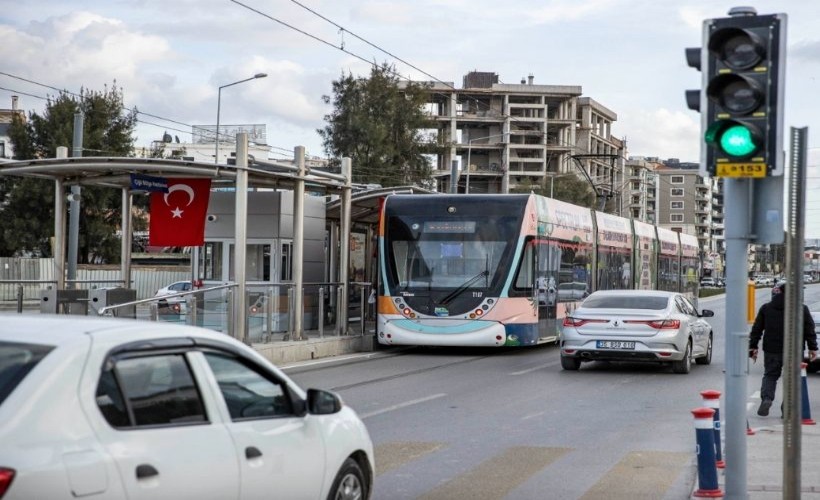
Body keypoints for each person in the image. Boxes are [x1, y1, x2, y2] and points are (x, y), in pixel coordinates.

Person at [749, 281, 818, 416]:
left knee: (770, 375)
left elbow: (756, 329)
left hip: (771, 349)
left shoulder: (766, 308)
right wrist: (812, 348)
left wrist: (753, 347)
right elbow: (809, 329)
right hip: (794, 350)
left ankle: (767, 399)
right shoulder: (801, 309)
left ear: (779, 292)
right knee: (792, 378)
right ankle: (787, 407)